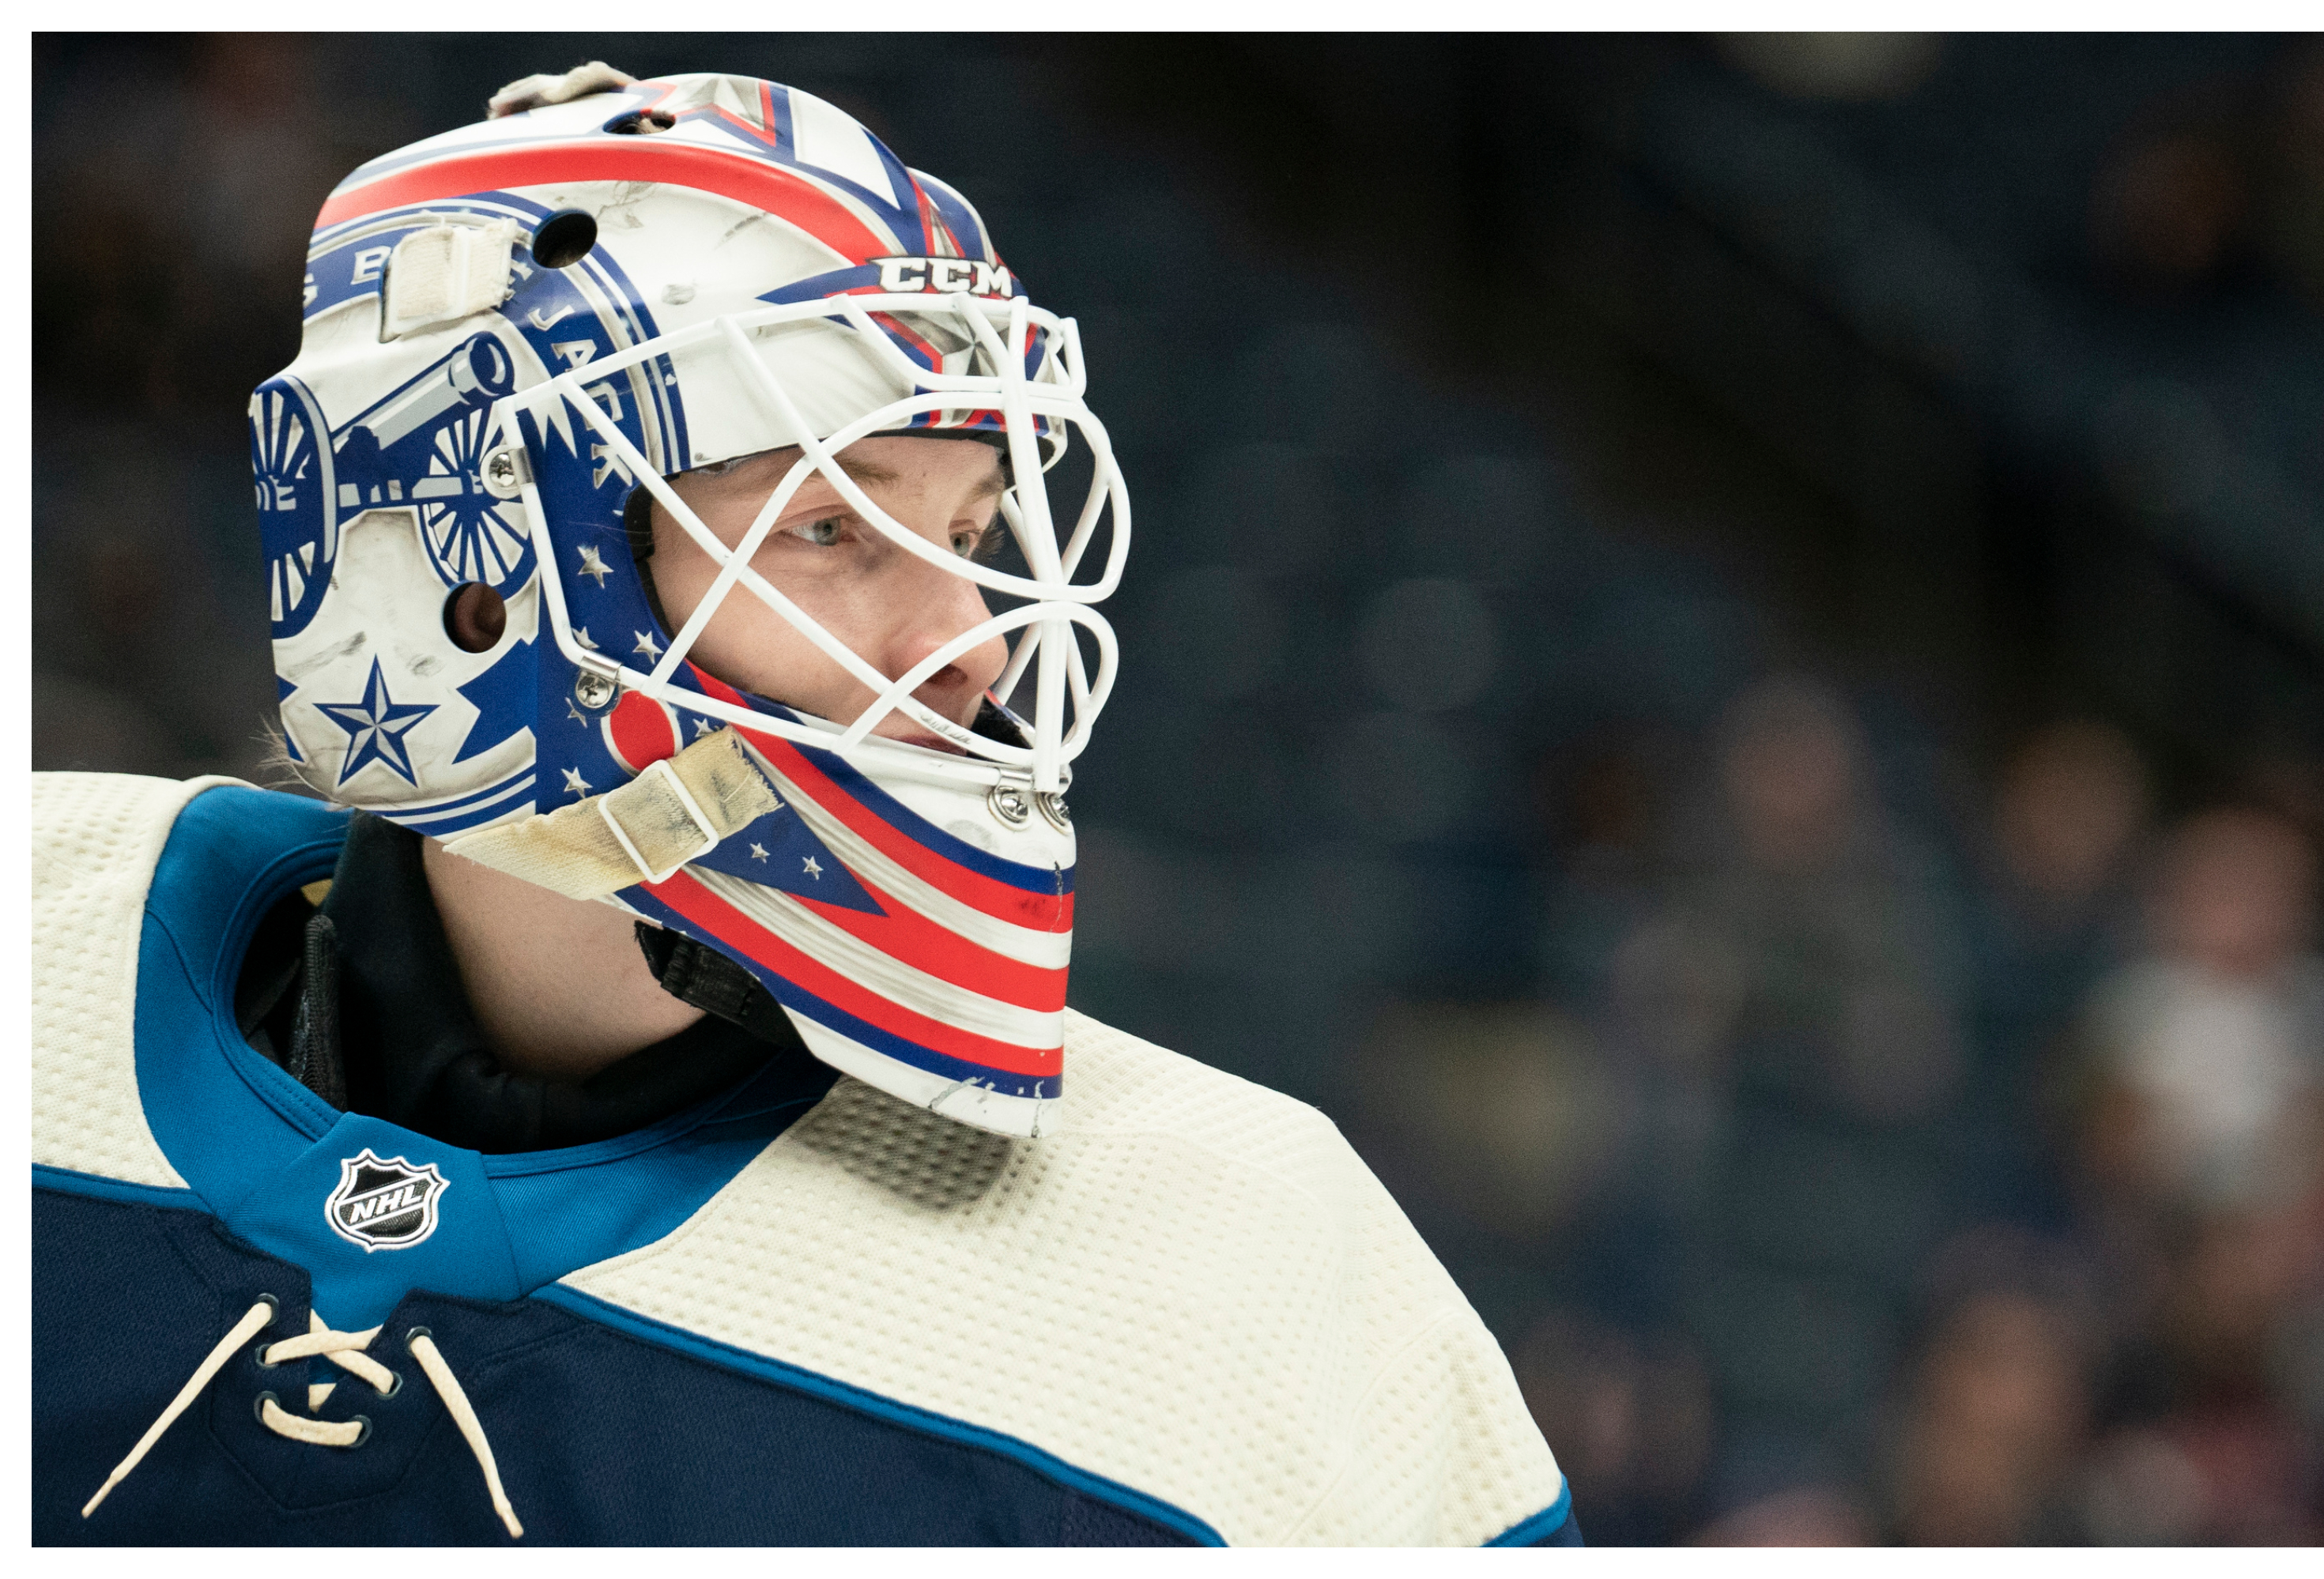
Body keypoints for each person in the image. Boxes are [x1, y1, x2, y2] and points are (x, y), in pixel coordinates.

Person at [31, 62, 1575, 1547]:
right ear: (464, 559)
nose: (969, 643)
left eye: (980, 531)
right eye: (831, 523)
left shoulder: (1247, 1275)